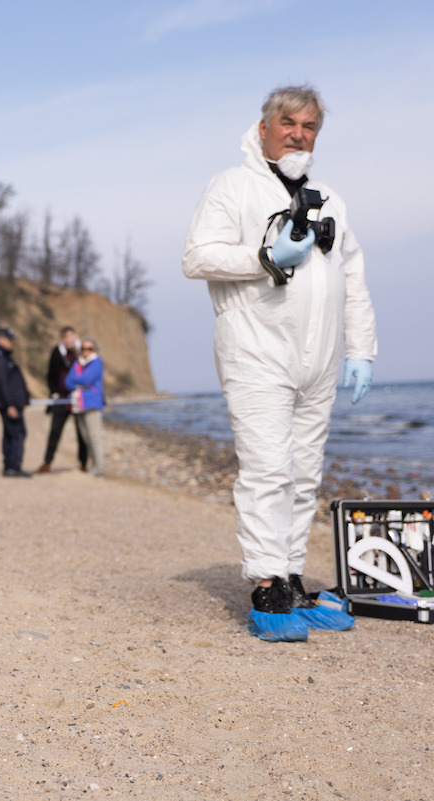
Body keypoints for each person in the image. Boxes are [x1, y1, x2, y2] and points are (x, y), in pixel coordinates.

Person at [183, 85, 375, 642]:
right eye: (288, 122)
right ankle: (266, 584)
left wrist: (361, 349)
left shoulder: (330, 199)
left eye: (309, 126)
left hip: (319, 360)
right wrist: (265, 257)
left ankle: (292, 577)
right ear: (263, 126)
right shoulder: (232, 185)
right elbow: (197, 257)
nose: (298, 133)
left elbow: (354, 279)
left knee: (302, 471)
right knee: (267, 468)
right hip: (256, 350)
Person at [37, 325, 88, 474]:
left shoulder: (82, 351)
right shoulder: (57, 352)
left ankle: (83, 464)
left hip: (78, 397)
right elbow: (51, 374)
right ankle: (47, 463)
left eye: (71, 336)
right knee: (55, 431)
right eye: (65, 337)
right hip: (61, 398)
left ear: (76, 336)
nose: (69, 340)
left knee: (82, 433)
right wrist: (54, 393)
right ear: (62, 339)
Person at [0, 327, 31, 477]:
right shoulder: (0, 359)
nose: (11, 342)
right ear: (0, 339)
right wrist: (10, 404)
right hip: (9, 405)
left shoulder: (5, 357)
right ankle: (13, 467)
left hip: (12, 404)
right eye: (9, 339)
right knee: (17, 434)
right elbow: (3, 384)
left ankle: (10, 466)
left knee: (11, 434)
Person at [64, 338, 105, 478]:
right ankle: (93, 466)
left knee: (94, 437)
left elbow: (86, 380)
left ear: (95, 350)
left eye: (89, 348)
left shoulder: (97, 362)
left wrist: (75, 378)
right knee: (86, 438)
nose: (86, 351)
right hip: (78, 404)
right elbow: (67, 383)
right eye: (83, 349)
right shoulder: (77, 363)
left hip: (92, 404)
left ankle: (99, 469)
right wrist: (78, 379)